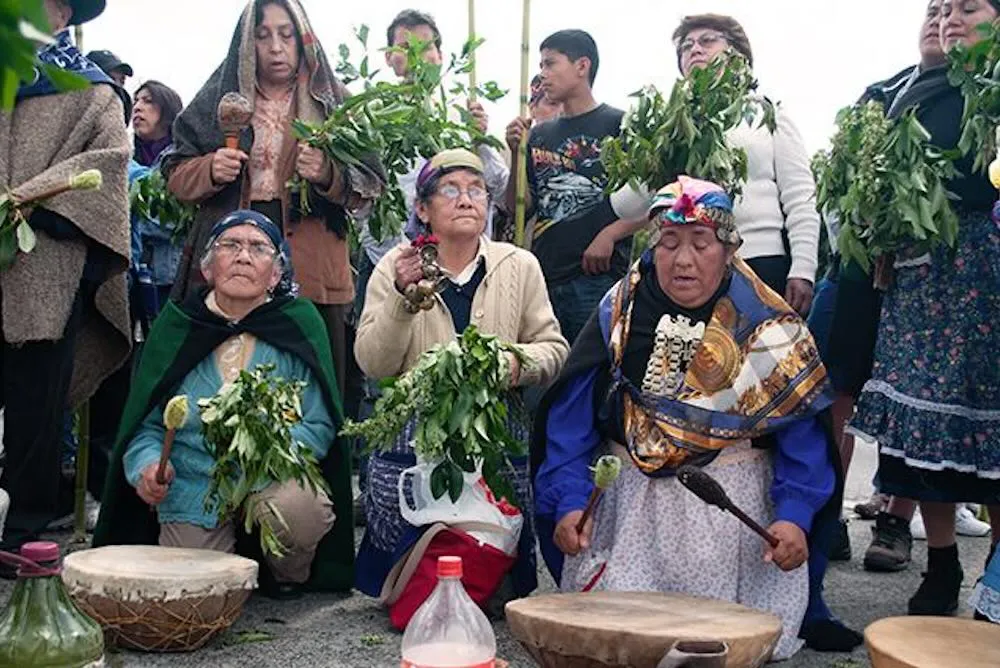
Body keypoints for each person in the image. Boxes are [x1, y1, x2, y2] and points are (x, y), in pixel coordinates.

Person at [533, 176, 843, 660]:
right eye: (669, 243)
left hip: (730, 522)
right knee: (625, 645)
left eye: (701, 243)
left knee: (716, 648)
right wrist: (570, 502)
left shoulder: (767, 328)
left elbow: (801, 434)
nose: (683, 260)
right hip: (631, 518)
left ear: (730, 250)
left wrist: (794, 516)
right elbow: (570, 424)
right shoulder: (618, 315)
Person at [94, 210, 354, 600]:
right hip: (195, 482)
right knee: (195, 593)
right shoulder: (177, 328)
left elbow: (319, 424)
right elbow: (145, 428)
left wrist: (266, 455)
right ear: (208, 267)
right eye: (230, 245)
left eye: (259, 248)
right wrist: (146, 467)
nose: (243, 256)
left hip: (273, 477)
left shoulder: (298, 324)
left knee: (299, 511)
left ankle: (285, 572)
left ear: (276, 274)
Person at [354, 149, 569, 600]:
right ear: (422, 208)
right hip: (417, 425)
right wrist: (401, 298)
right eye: (450, 190)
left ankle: (488, 565)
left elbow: (553, 349)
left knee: (489, 583)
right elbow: (374, 363)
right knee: (416, 582)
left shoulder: (518, 265)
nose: (467, 200)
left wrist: (507, 365)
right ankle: (410, 570)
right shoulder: (396, 265)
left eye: (477, 190)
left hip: (493, 424)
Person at [849, 0, 1000, 617]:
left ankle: (996, 574)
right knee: (923, 425)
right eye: (942, 9)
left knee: (990, 425)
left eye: (969, 7)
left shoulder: (992, 92)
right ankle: (942, 562)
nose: (950, 18)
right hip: (920, 283)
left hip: (988, 277)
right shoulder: (912, 94)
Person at [164, 0, 385, 401]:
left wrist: (328, 173)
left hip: (312, 256)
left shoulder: (335, 103)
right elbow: (176, 174)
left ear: (303, 41)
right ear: (247, 45)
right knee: (224, 384)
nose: (276, 48)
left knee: (312, 385)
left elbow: (371, 184)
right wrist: (211, 168)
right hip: (234, 248)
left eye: (286, 35)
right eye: (263, 36)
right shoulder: (219, 99)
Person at [0, 0, 131, 562]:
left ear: (63, 16)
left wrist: (25, 200)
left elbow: (109, 163)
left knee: (37, 403)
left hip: (48, 265)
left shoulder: (95, 91)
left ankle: (21, 533)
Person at [672, 14, 820, 317]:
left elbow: (801, 196)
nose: (695, 49)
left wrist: (803, 269)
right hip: (687, 267)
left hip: (759, 260)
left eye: (707, 41)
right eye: (686, 46)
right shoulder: (673, 124)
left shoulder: (767, 114)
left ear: (737, 54)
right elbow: (630, 205)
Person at [505, 29, 646, 344]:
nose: (543, 75)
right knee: (545, 367)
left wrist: (610, 234)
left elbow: (653, 199)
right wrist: (516, 153)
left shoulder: (620, 125)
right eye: (540, 65)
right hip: (544, 277)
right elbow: (520, 206)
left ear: (582, 66)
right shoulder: (539, 135)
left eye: (550, 64)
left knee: (592, 367)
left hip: (595, 277)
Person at [132, 80, 185, 308]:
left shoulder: (182, 158)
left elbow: (173, 221)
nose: (137, 107)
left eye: (148, 101)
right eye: (136, 101)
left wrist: (129, 215)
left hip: (168, 279)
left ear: (167, 110)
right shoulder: (130, 157)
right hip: (134, 275)